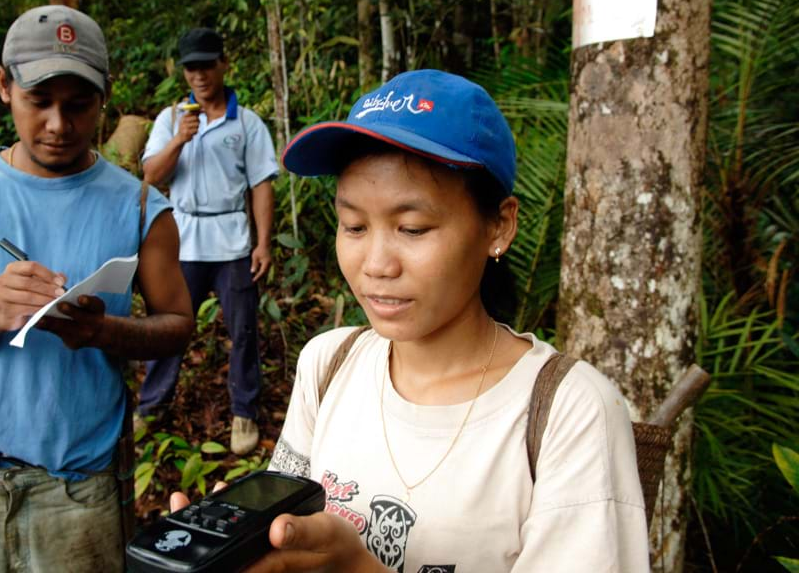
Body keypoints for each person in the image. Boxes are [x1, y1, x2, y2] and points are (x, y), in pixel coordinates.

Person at [174, 70, 649, 572]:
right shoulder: (329, 364)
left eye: (412, 228)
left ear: (500, 225)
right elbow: (292, 540)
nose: (377, 264)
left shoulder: (568, 413)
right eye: (353, 225)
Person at [0, 5, 194, 573]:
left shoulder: (140, 209)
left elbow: (177, 325)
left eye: (78, 105)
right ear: (4, 86)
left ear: (106, 95)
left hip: (78, 492)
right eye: (40, 101)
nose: (58, 124)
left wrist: (102, 330)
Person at [138, 27, 279, 455]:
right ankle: (150, 406)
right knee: (168, 324)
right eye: (191, 68)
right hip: (183, 238)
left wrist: (264, 243)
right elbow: (150, 175)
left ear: (223, 64)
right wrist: (181, 137)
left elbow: (261, 184)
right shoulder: (170, 119)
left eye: (206, 65)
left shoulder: (247, 123)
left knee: (243, 330)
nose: (199, 75)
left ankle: (244, 413)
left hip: (232, 240)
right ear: (184, 72)